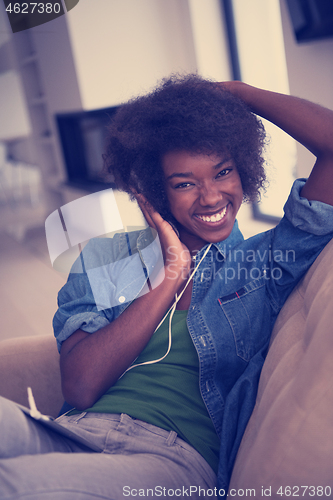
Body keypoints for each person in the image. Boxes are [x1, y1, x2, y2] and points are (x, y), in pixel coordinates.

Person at [1, 74, 333, 499]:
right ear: (154, 192)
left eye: (223, 172)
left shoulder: (262, 264)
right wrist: (170, 276)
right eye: (185, 183)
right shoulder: (105, 258)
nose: (211, 197)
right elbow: (81, 385)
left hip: (170, 461)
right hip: (72, 433)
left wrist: (236, 95)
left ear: (243, 170)